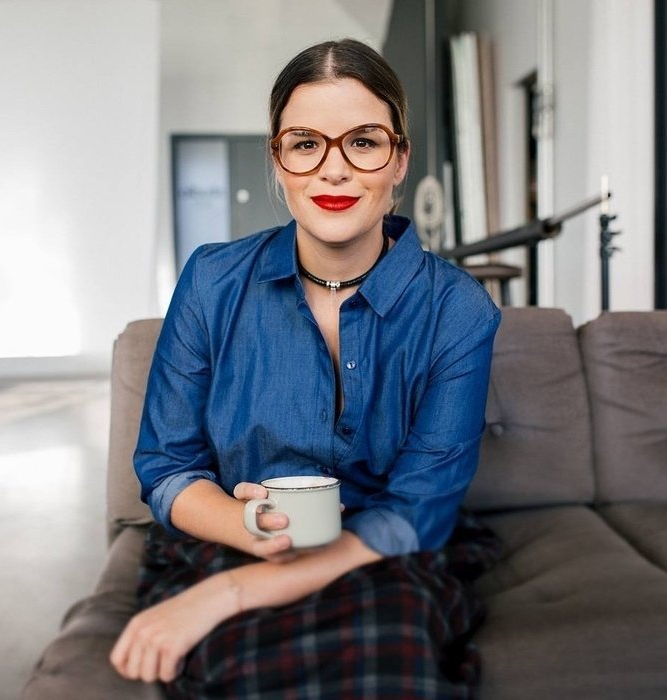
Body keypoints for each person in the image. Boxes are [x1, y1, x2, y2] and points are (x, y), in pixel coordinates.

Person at [110, 38, 501, 698]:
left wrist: (232, 594)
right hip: (232, 537)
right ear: (278, 160)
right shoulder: (210, 281)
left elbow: (416, 511)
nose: (334, 170)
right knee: (237, 662)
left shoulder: (458, 309)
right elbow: (167, 466)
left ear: (399, 159)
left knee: (391, 650)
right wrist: (245, 528)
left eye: (364, 142)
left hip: (376, 552)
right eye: (306, 144)